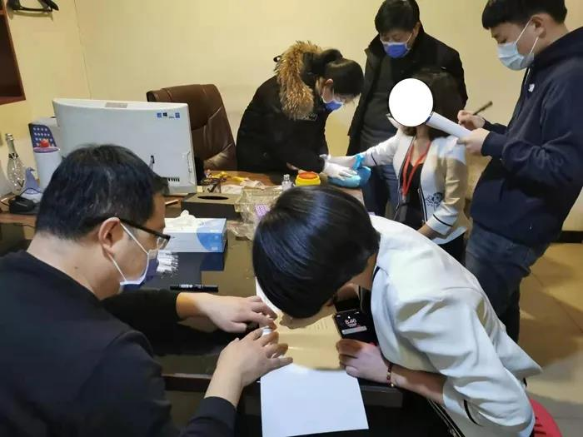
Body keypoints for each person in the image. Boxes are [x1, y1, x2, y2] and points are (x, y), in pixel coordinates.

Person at [0, 145, 292, 436]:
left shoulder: (16, 275)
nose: (156, 249)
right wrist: (230, 375)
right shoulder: (114, 360)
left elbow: (109, 306)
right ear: (110, 235)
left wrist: (201, 303)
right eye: (156, 237)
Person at [253, 186, 542, 437]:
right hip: (445, 372)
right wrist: (329, 295)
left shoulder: (420, 301)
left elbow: (510, 415)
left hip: (476, 421)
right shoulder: (364, 229)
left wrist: (392, 373)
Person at [458, 0, 583, 342]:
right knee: (498, 315)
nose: (502, 49)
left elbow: (563, 167)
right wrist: (488, 129)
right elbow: (530, 140)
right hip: (500, 216)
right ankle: (506, 372)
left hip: (513, 228)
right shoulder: (545, 65)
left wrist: (493, 144)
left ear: (537, 24)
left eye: (502, 39)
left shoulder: (573, 76)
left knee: (472, 326)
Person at [329, 68, 469, 262]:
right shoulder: (406, 133)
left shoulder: (453, 146)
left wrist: (414, 238)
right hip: (407, 225)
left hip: (440, 239)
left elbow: (451, 208)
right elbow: (376, 155)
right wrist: (329, 162)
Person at [345, 0, 468, 217]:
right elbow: (368, 97)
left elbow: (454, 104)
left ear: (415, 28)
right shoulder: (377, 50)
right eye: (385, 37)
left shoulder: (442, 57)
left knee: (403, 214)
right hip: (368, 141)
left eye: (396, 38)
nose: (389, 43)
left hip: (407, 149)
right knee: (365, 212)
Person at [236, 41, 363, 179]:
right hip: (259, 163)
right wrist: (324, 166)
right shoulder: (282, 92)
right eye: (341, 98)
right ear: (328, 84)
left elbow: (317, 130)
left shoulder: (321, 92)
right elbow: (282, 141)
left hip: (285, 160)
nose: (341, 104)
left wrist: (323, 155)